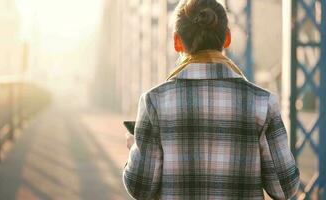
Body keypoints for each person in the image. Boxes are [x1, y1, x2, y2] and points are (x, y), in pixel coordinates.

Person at [123, 0, 300, 199]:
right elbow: (285, 188)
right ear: (227, 38)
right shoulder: (262, 102)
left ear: (176, 42)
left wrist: (134, 149)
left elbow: (140, 188)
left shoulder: (153, 102)